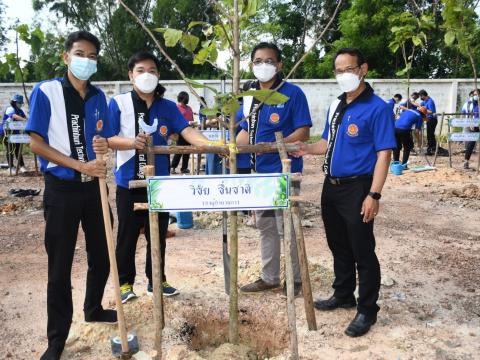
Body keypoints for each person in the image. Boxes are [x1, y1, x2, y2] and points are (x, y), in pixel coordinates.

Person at [291, 48, 396, 337]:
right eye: (338, 70)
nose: (343, 75)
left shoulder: (378, 107)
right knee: (338, 244)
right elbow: (326, 142)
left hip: (358, 187)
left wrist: (374, 195)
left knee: (363, 249)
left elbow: (384, 153)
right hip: (332, 185)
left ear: (363, 69)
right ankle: (343, 294)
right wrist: (306, 148)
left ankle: (367, 310)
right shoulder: (336, 105)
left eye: (348, 69)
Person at [25, 31, 117, 360]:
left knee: (103, 255)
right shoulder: (46, 91)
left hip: (93, 188)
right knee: (59, 266)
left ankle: (93, 308)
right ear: (66, 56)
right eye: (80, 53)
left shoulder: (99, 98)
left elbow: (101, 139)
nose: (86, 60)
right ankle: (57, 339)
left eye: (92, 56)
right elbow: (36, 143)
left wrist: (102, 148)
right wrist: (79, 164)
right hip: (62, 189)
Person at [107, 51, 212, 303]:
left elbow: (187, 131)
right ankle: (124, 284)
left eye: (152, 70)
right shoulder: (119, 103)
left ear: (159, 75)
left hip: (160, 184)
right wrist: (132, 143)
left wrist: (213, 145)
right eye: (141, 70)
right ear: (131, 75)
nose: (147, 75)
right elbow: (108, 138)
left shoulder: (168, 107)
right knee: (127, 237)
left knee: (158, 234)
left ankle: (157, 280)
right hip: (129, 182)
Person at [237, 42, 312, 296]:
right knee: (266, 226)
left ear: (279, 65)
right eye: (258, 61)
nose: (263, 66)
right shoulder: (249, 98)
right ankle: (269, 277)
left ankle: (296, 279)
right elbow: (245, 131)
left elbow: (303, 130)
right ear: (251, 65)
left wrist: (274, 146)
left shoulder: (293, 93)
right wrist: (231, 152)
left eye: (269, 61)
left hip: (285, 172)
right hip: (259, 175)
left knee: (290, 226)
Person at [170, 91, 195, 174]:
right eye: (184, 98)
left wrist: (192, 123)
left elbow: (191, 118)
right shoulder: (176, 108)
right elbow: (175, 120)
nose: (185, 100)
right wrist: (188, 123)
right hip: (180, 132)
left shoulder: (189, 108)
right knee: (179, 150)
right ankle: (173, 167)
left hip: (190, 132)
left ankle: (184, 168)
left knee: (187, 151)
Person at [2, 94, 27, 172]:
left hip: (16, 133)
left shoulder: (20, 111)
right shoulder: (10, 109)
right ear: (14, 102)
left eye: (21, 103)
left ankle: (22, 166)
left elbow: (25, 117)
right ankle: (11, 167)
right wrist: (24, 120)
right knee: (10, 149)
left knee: (18, 149)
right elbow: (14, 116)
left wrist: (28, 120)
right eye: (19, 103)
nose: (20, 104)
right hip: (6, 133)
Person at [419, 89, 448, 156]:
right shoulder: (425, 101)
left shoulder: (430, 101)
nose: (420, 98)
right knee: (429, 135)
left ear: (423, 95)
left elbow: (432, 112)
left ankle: (432, 148)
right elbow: (420, 105)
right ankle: (431, 148)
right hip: (428, 120)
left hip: (432, 119)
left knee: (430, 134)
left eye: (420, 96)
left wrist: (424, 110)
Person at [461, 89, 479, 169]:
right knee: (471, 143)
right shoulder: (468, 104)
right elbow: (463, 113)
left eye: (476, 94)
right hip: (472, 126)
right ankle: (466, 161)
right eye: (474, 95)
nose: (475, 96)